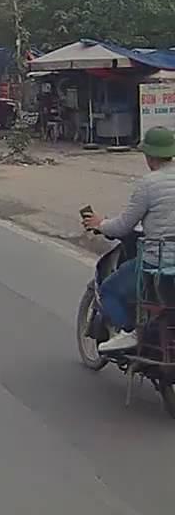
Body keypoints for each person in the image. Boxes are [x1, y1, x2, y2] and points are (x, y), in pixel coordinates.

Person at [83, 126, 175, 352]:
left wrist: (100, 223)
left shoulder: (148, 184)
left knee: (108, 290)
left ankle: (130, 332)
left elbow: (123, 226)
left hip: (158, 263)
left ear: (149, 156)